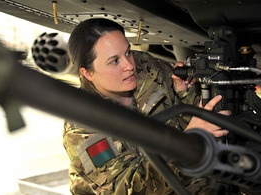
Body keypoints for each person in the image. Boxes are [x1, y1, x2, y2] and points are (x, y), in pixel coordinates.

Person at [63, 18, 230, 194]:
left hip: (185, 178)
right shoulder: (82, 128)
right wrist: (185, 144)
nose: (129, 65)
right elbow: (127, 189)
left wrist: (185, 95)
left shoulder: (146, 67)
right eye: (114, 61)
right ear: (87, 73)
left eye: (128, 52)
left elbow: (189, 124)